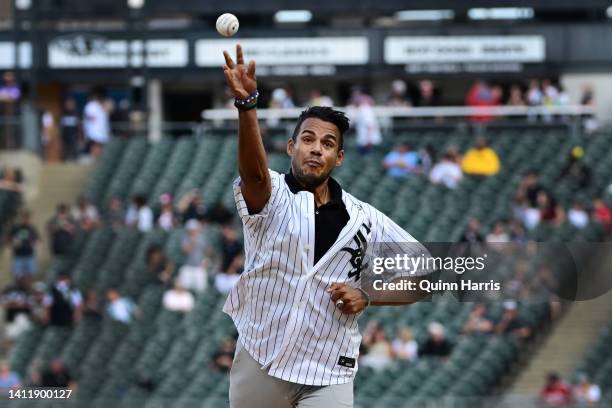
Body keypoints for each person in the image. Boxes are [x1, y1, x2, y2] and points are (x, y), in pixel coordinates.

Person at [221, 44, 430, 408]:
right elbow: (252, 174)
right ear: (291, 147)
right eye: (308, 139)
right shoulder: (271, 196)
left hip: (327, 370)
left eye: (328, 143)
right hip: (260, 357)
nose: (316, 149)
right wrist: (248, 106)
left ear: (340, 157)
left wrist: (369, 296)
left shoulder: (365, 219)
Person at [177, 219, 209, 294]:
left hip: (199, 267)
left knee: (201, 290)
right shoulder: (184, 238)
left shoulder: (202, 238)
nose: (193, 231)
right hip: (187, 267)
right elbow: (186, 251)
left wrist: (205, 260)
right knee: (185, 289)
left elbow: (206, 251)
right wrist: (193, 241)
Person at [10, 211, 40, 281]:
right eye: (24, 218)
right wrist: (13, 243)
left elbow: (37, 240)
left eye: (27, 218)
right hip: (18, 256)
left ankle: (28, 290)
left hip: (30, 256)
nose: (26, 220)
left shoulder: (32, 228)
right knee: (17, 276)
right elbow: (9, 239)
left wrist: (35, 245)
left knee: (30, 276)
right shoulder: (16, 228)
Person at [83, 89, 110, 159]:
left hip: (101, 130)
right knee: (95, 146)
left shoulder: (100, 106)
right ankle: (94, 158)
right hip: (94, 131)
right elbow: (91, 117)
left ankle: (98, 159)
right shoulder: (90, 105)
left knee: (100, 146)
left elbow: (107, 112)